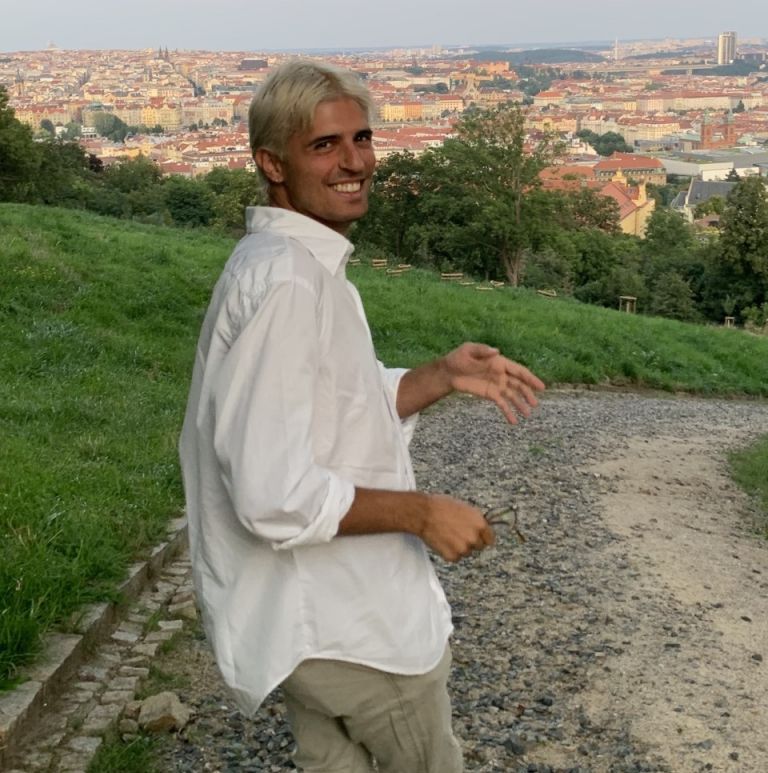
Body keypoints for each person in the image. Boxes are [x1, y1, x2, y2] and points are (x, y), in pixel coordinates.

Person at [179, 59, 545, 773]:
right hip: (346, 625)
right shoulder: (289, 281)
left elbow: (323, 408)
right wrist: (420, 511)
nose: (355, 161)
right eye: (325, 145)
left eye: (362, 138)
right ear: (271, 163)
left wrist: (437, 376)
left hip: (305, 620)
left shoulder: (290, 262)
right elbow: (272, 493)